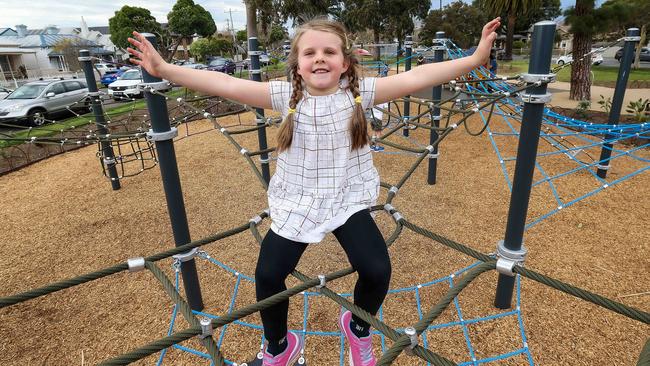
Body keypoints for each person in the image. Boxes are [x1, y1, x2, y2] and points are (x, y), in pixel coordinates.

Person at [128, 16, 499, 366]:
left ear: (345, 64)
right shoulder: (285, 96)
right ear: (297, 65)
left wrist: (475, 58)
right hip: (298, 200)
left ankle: (357, 327)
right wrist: (164, 70)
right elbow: (225, 84)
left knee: (376, 269)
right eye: (310, 53)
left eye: (329, 52)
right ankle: (279, 347)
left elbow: (420, 75)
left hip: (346, 199)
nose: (319, 58)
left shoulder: (363, 92)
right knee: (268, 276)